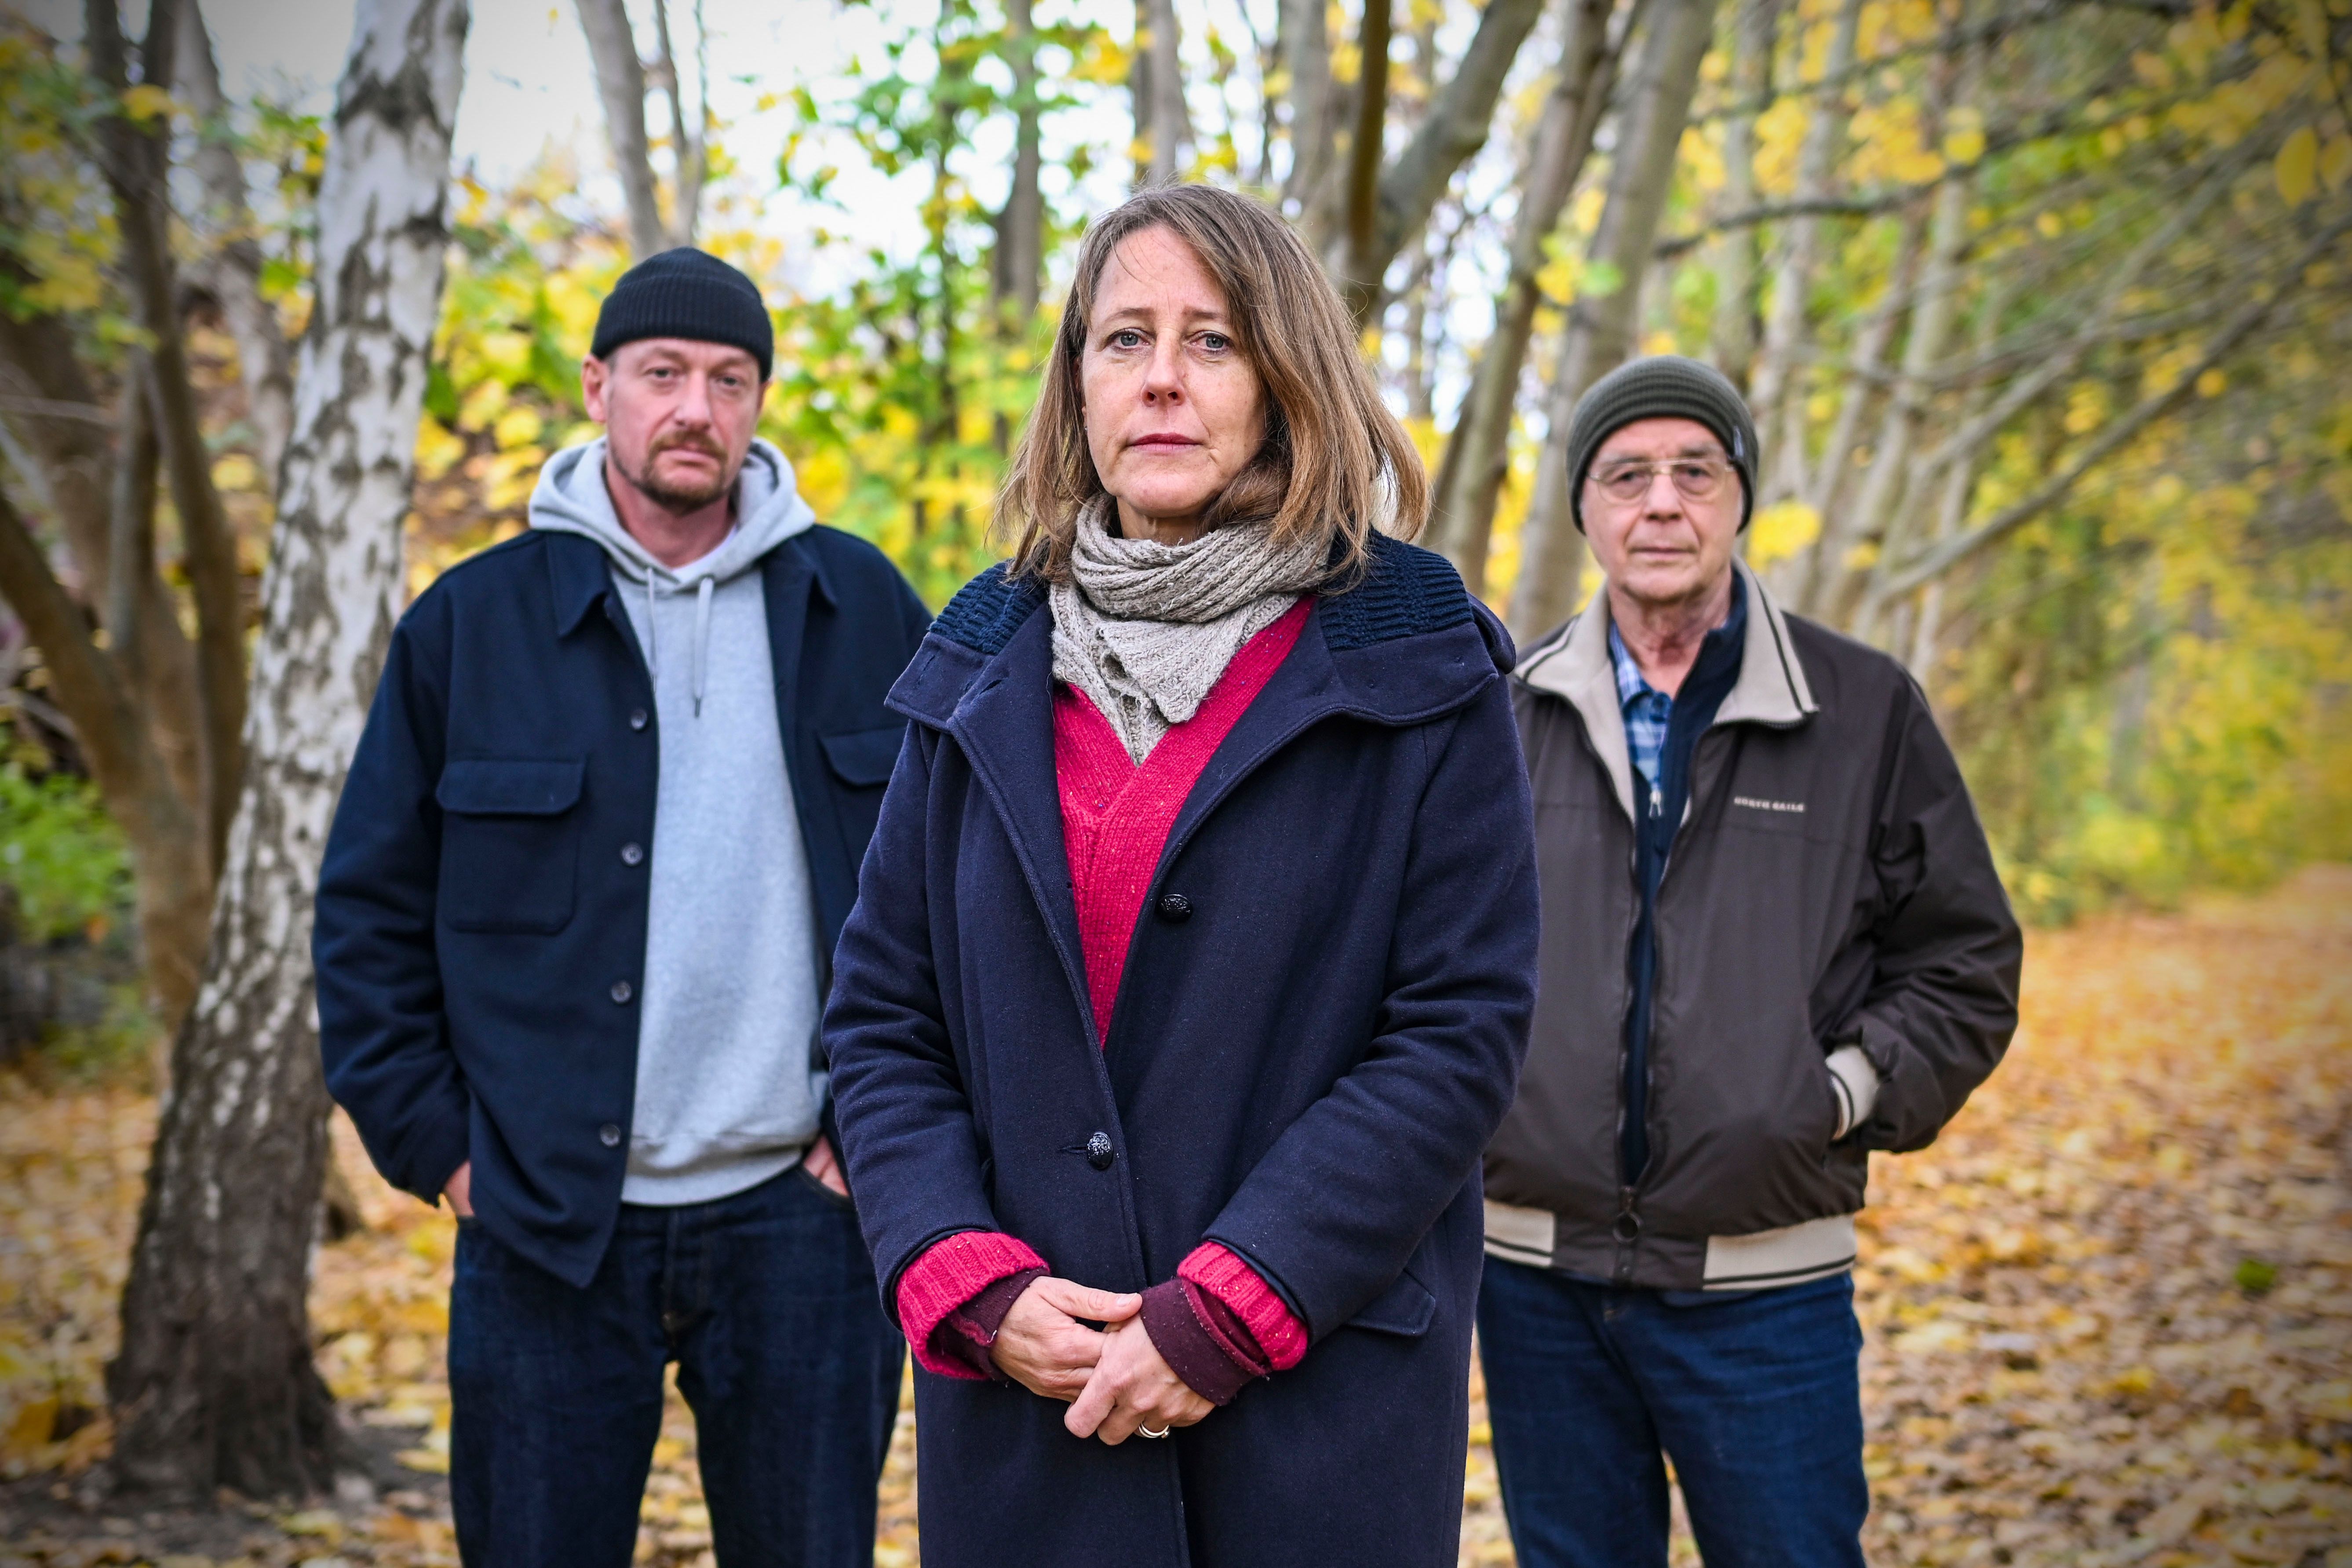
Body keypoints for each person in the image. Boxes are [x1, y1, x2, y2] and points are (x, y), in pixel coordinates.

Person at [822, 183, 1539, 1567]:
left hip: (1314, 1409)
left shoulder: (1420, 656)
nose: (1161, 380)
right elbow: (880, 1021)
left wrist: (1229, 1307)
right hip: (1037, 1417)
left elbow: (1456, 1035)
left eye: (1211, 343)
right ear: (1075, 382)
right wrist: (960, 1273)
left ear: (1286, 378)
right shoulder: (976, 662)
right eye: (1122, 338)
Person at [313, 247, 930, 1568]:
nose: (695, 408)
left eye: (728, 378)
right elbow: (367, 913)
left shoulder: (866, 608)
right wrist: (442, 1147)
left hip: (803, 1218)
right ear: (600, 387)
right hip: (544, 1227)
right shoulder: (469, 628)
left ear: (760, 399)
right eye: (662, 375)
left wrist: (881, 1131)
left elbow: (965, 893)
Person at [1479, 354, 2024, 1567]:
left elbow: (1965, 957)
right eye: (1627, 476)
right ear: (1586, 509)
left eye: (1694, 472)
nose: (1660, 503)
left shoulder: (1865, 708)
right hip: (1531, 1284)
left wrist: (1837, 1093)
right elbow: (1427, 960)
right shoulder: (1501, 712)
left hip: (1764, 1289)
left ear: (1739, 497)